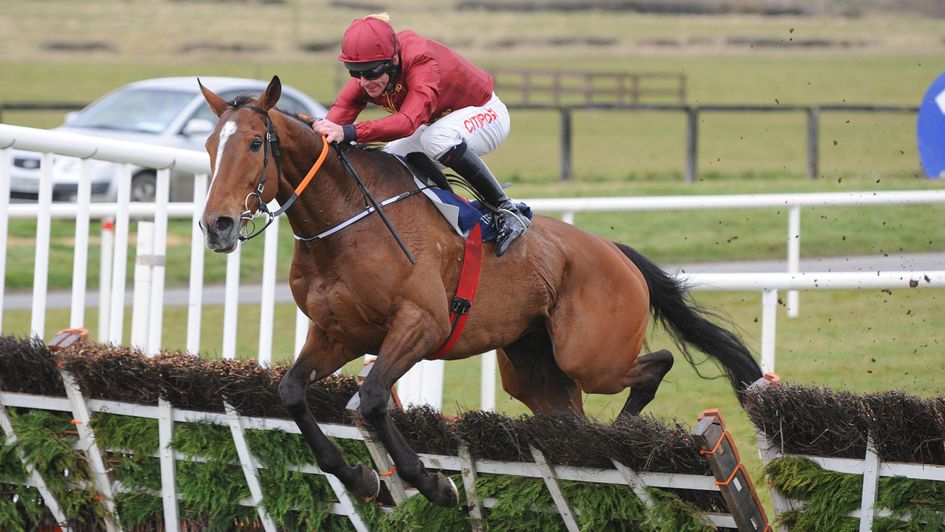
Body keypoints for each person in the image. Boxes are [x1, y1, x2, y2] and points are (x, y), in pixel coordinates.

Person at [313, 13, 529, 257]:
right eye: (354, 72)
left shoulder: (422, 60)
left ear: (392, 61)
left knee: (436, 139)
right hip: (440, 125)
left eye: (371, 73)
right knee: (392, 156)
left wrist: (349, 132)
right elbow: (336, 118)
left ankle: (507, 211)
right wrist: (317, 134)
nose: (363, 82)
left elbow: (407, 123)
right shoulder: (371, 71)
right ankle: (452, 214)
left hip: (488, 114)